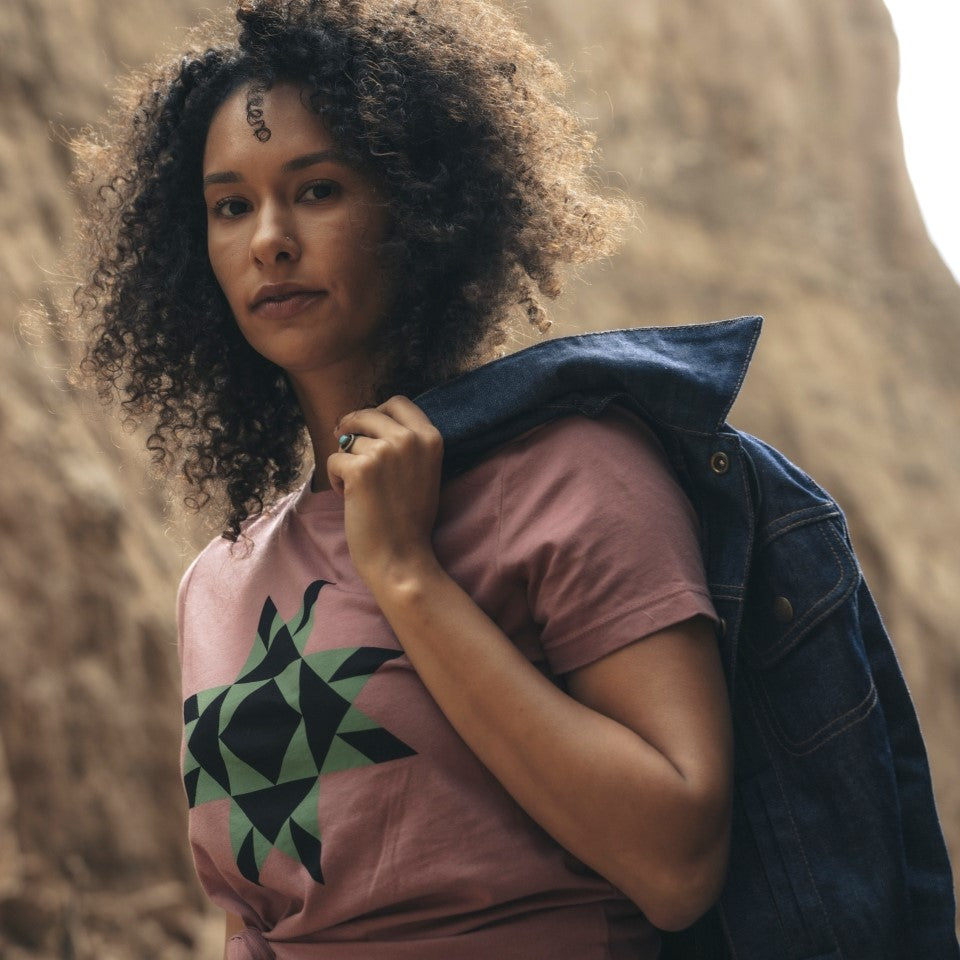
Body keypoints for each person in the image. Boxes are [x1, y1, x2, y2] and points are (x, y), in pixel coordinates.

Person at [73, 1, 733, 957]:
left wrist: (406, 573)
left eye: (319, 189)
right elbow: (253, 920)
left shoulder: (577, 477)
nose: (268, 239)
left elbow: (679, 864)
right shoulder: (217, 582)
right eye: (230, 205)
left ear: (418, 209)